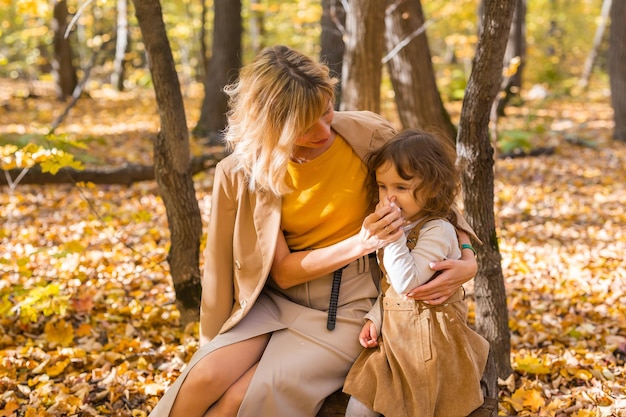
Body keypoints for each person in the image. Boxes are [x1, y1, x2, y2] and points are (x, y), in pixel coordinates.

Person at [148, 45, 478, 417]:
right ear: (271, 123)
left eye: (326, 111)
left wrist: (468, 260)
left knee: (240, 399)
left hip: (350, 306)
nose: (323, 130)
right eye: (305, 125)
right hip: (269, 302)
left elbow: (430, 194)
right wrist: (211, 341)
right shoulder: (240, 174)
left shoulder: (368, 135)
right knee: (203, 378)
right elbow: (239, 272)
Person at [342, 130, 490, 417]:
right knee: (360, 406)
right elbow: (391, 287)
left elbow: (406, 282)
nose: (389, 198)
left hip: (431, 345)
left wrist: (393, 235)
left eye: (400, 187)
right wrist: (376, 316)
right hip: (395, 342)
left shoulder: (439, 230)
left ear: (434, 188)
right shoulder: (404, 227)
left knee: (420, 406)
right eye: (383, 187)